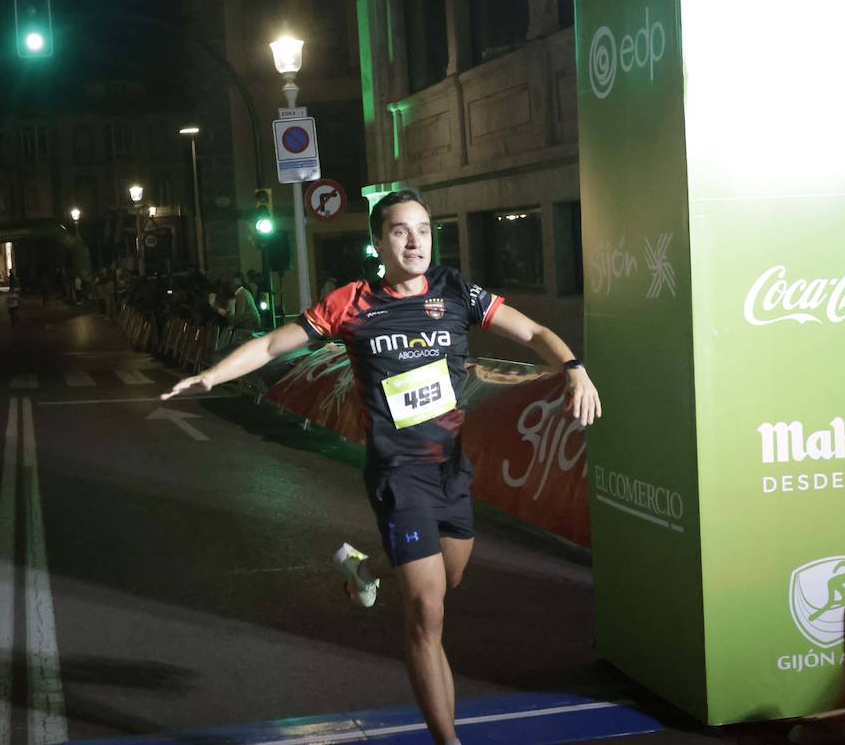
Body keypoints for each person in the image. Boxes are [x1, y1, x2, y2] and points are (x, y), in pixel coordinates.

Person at [164, 189, 601, 745]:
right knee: (426, 611)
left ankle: (365, 570)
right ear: (378, 242)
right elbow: (275, 341)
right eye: (400, 231)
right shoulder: (351, 302)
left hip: (452, 468)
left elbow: (534, 332)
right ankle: (448, 740)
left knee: (449, 580)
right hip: (398, 474)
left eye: (423, 229)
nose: (415, 240)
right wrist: (214, 374)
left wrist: (575, 370)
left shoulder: (454, 291)